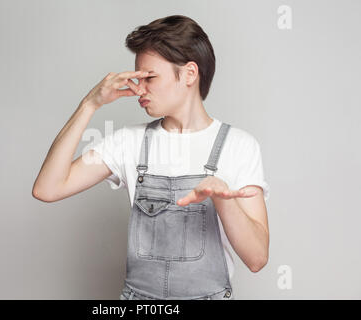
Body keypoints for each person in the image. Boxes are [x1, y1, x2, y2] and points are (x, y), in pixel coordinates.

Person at [32, 15, 270, 300]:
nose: (139, 90)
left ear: (189, 74)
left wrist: (223, 201)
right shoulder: (128, 142)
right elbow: (47, 188)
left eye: (150, 78)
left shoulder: (239, 146)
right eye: (138, 78)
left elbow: (257, 259)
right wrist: (90, 103)